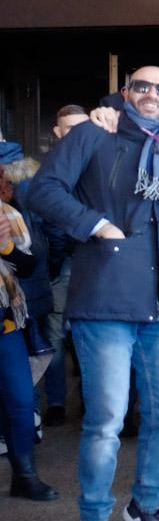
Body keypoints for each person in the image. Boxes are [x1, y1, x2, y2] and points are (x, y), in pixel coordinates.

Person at [29, 67, 159, 521]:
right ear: (125, 94)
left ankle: (147, 507)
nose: (152, 95)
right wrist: (96, 225)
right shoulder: (94, 133)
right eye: (141, 86)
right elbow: (42, 189)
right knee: (106, 421)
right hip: (105, 295)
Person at [1, 189, 57, 501]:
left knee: (21, 402)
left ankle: (25, 476)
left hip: (5, 324)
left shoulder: (7, 215)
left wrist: (6, 246)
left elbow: (28, 266)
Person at [39, 105, 89, 426]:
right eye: (69, 128)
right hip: (63, 263)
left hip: (92, 264)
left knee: (89, 337)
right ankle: (57, 402)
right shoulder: (49, 168)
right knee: (55, 337)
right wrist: (55, 265)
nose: (76, 134)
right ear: (57, 132)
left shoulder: (100, 162)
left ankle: (87, 401)